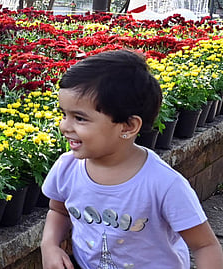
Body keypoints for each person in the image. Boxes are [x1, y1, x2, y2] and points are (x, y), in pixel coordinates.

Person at [40, 49, 223, 269]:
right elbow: (58, 210)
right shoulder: (66, 168)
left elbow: (205, 245)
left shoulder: (163, 184)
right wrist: (49, 244)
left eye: (79, 118)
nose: (64, 126)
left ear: (128, 126)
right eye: (63, 114)